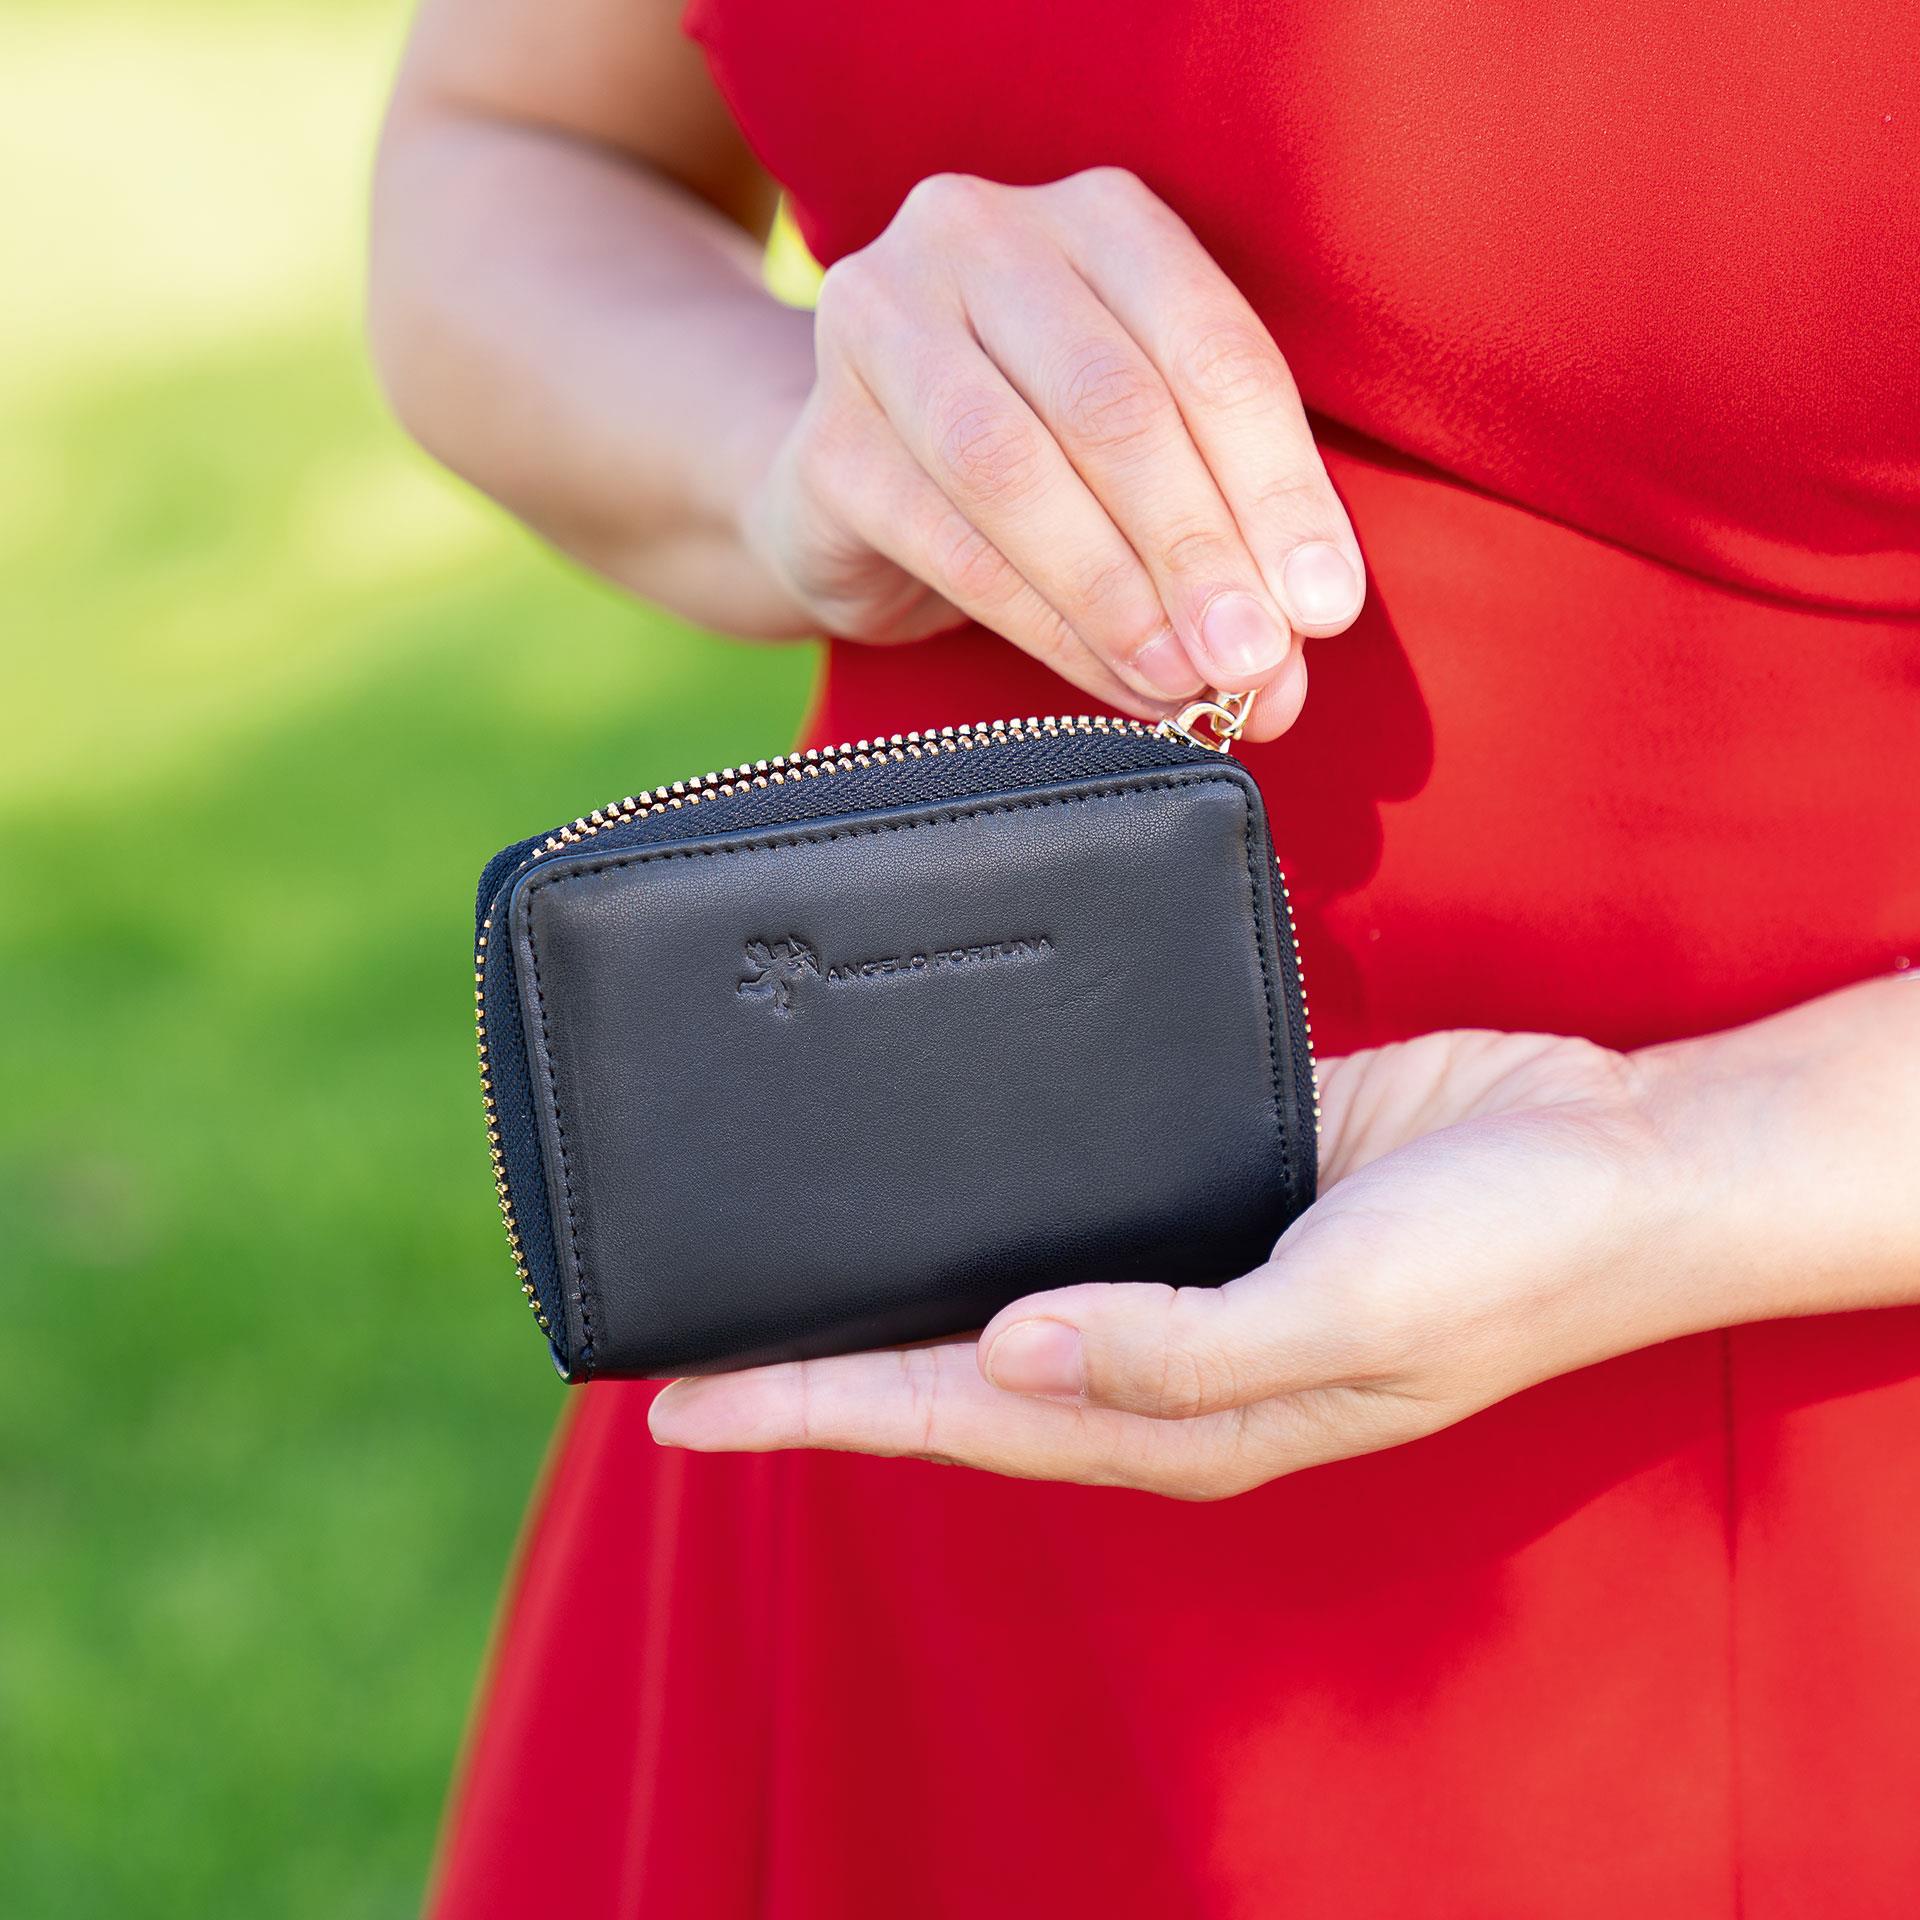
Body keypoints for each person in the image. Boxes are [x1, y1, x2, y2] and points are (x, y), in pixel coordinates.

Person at [369, 0, 1920, 1911]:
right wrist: (794, 458)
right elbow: (513, 146)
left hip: (1784, 1399)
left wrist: (1694, 1157)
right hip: (888, 1322)